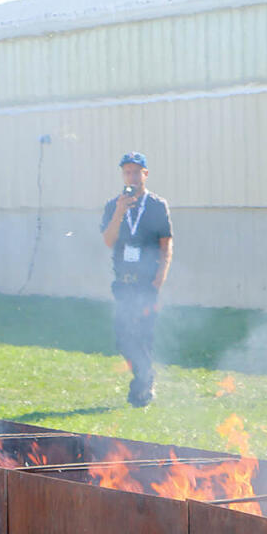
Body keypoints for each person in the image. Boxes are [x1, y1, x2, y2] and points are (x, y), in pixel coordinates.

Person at [100, 151, 173, 406]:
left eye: (136, 171)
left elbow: (166, 245)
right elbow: (109, 241)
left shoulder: (156, 206)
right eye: (127, 171)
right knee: (123, 338)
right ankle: (145, 377)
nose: (131, 176)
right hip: (123, 283)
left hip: (147, 283)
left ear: (145, 174)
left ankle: (141, 388)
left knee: (143, 335)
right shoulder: (113, 205)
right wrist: (120, 212)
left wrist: (158, 280)